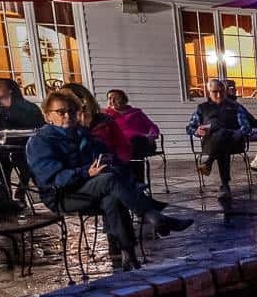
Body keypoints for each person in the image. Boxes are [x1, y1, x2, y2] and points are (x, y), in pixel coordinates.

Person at [27, 89, 192, 270]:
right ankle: (153, 215)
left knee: (112, 197)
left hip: (93, 187)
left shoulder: (83, 135)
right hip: (62, 194)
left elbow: (109, 155)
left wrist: (112, 164)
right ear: (47, 116)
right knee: (109, 181)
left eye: (72, 111)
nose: (67, 115)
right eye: (61, 112)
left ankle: (127, 254)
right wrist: (86, 173)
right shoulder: (41, 142)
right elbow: (53, 179)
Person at [0, 78, 44, 199]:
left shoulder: (28, 108)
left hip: (22, 146)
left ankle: (22, 191)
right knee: (0, 170)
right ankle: (4, 200)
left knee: (28, 166)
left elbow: (39, 126)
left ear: (10, 89)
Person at [186, 79, 249, 199]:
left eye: (221, 92)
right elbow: (190, 128)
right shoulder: (202, 108)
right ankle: (225, 185)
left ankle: (208, 163)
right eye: (215, 92)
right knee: (222, 140)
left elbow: (245, 127)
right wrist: (197, 131)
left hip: (234, 141)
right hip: (211, 142)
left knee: (223, 134)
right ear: (209, 92)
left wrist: (236, 132)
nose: (219, 95)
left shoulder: (235, 107)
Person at [66, 83, 132, 163]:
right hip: (78, 171)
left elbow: (123, 147)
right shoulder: (61, 126)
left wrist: (116, 162)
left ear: (83, 101)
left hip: (108, 168)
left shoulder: (105, 120)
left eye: (68, 99)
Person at [104, 89, 160, 183]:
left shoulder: (136, 113)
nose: (112, 101)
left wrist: (151, 136)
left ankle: (137, 184)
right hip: (119, 146)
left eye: (116, 98)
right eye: (109, 98)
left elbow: (152, 127)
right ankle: (131, 185)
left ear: (124, 99)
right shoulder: (105, 115)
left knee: (135, 142)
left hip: (140, 143)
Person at [225, 80, 257, 173]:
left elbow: (250, 118)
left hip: (246, 129)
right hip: (238, 132)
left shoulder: (236, 104)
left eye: (234, 87)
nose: (235, 89)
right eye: (232, 88)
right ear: (224, 89)